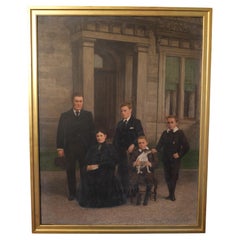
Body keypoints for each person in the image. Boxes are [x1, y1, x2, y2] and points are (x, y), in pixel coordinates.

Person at [56, 93, 95, 201]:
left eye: (80, 101)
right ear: (72, 102)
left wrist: (92, 148)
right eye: (76, 101)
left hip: (84, 149)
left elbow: (92, 133)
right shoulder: (65, 115)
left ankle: (84, 192)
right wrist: (60, 148)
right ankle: (72, 193)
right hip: (70, 149)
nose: (78, 103)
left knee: (84, 171)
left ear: (83, 102)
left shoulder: (88, 115)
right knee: (70, 171)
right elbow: (60, 132)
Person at [78, 129, 126, 208]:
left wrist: (98, 166)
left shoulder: (110, 147)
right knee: (87, 176)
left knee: (100, 177)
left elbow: (114, 161)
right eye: (97, 136)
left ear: (105, 136)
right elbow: (86, 160)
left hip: (106, 170)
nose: (99, 138)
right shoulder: (92, 148)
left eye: (101, 136)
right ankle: (91, 199)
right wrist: (88, 166)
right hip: (93, 170)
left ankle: (101, 200)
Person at [153, 115, 189, 201]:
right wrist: (155, 149)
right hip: (166, 159)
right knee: (167, 177)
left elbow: (186, 147)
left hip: (175, 160)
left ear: (176, 123)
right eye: (168, 122)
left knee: (174, 176)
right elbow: (160, 144)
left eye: (172, 122)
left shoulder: (180, 133)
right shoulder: (165, 133)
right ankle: (170, 194)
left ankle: (172, 194)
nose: (170, 124)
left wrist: (179, 154)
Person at [113, 102, 144, 195]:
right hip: (121, 152)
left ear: (130, 110)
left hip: (132, 152)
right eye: (121, 111)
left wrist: (134, 144)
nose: (123, 113)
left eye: (125, 110)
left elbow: (141, 135)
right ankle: (124, 192)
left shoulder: (136, 122)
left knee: (132, 171)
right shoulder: (119, 124)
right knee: (122, 171)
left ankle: (133, 191)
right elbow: (116, 139)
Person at [129, 136, 158, 205]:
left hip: (148, 172)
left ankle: (147, 195)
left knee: (150, 179)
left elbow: (156, 164)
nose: (141, 144)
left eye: (143, 143)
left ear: (146, 143)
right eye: (139, 143)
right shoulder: (135, 152)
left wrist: (150, 163)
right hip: (138, 172)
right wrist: (135, 163)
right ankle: (138, 194)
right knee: (133, 180)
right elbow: (130, 163)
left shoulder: (151, 152)